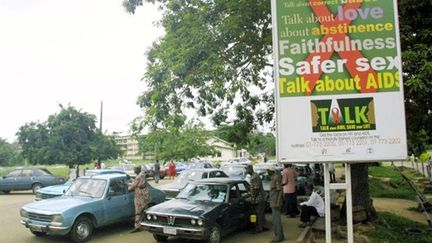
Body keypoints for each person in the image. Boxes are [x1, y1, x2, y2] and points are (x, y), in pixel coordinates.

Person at [128, 166, 151, 233]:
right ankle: (146, 224)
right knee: (145, 209)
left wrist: (128, 186)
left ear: (137, 170)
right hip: (145, 193)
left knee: (138, 211)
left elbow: (133, 186)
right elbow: (136, 183)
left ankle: (137, 226)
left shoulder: (138, 177)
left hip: (140, 195)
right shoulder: (142, 174)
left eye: (135, 170)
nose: (134, 171)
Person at [246, 164, 267, 233]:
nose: (246, 171)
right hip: (259, 197)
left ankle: (259, 229)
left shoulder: (255, 177)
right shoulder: (253, 176)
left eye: (247, 169)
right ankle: (263, 227)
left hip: (259, 198)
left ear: (250, 169)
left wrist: (253, 198)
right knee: (260, 213)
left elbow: (256, 189)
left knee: (258, 214)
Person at [268, 165, 284, 242]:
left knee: (276, 220)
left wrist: (278, 202)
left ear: (271, 171)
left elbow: (280, 191)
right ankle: (278, 235)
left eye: (268, 170)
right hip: (273, 201)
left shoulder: (276, 178)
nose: (267, 172)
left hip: (275, 202)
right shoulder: (273, 178)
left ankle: (279, 236)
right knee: (275, 220)